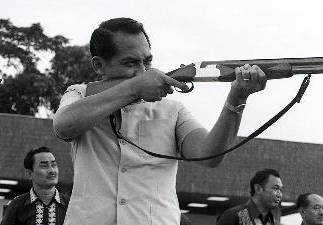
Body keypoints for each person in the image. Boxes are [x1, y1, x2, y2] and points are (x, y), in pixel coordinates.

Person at [53, 17, 267, 225]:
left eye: (147, 62)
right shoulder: (79, 94)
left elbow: (209, 156)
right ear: (99, 66)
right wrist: (136, 87)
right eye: (130, 63)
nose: (144, 72)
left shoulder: (172, 109)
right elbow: (63, 126)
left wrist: (236, 99)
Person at [1, 147, 69, 225]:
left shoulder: (71, 205)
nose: (52, 171)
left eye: (54, 165)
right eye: (44, 166)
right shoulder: (16, 206)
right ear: (30, 174)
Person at [216, 169, 283, 225]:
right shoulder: (234, 216)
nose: (280, 195)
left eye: (281, 190)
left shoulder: (274, 223)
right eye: (275, 188)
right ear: (258, 189)